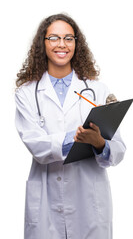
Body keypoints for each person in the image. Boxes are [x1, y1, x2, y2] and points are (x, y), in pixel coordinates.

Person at [15, 13, 126, 239]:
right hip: (46, 205)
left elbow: (119, 150)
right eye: (54, 38)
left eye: (68, 38)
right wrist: (75, 138)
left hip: (89, 204)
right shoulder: (26, 93)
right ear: (42, 43)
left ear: (76, 43)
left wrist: (100, 144)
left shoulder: (98, 90)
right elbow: (36, 145)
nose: (62, 44)